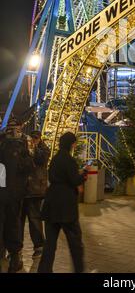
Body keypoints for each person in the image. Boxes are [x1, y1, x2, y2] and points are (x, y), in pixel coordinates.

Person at [38, 132, 87, 273]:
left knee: (50, 244)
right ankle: (79, 270)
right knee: (75, 243)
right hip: (66, 206)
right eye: (74, 143)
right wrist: (84, 174)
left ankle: (44, 270)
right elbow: (74, 180)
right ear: (71, 144)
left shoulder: (55, 159)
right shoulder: (69, 160)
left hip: (51, 203)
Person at [0, 117, 32, 273]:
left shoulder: (2, 145)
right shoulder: (22, 147)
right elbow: (28, 167)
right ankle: (15, 259)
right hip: (14, 194)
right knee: (13, 224)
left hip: (3, 191)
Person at [21, 130, 50, 259]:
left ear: (40, 138)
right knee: (19, 220)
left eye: (36, 138)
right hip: (23, 190)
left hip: (35, 190)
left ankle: (39, 246)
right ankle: (16, 248)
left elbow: (41, 160)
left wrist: (34, 147)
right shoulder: (24, 148)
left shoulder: (43, 149)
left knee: (34, 219)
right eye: (32, 138)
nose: (33, 140)